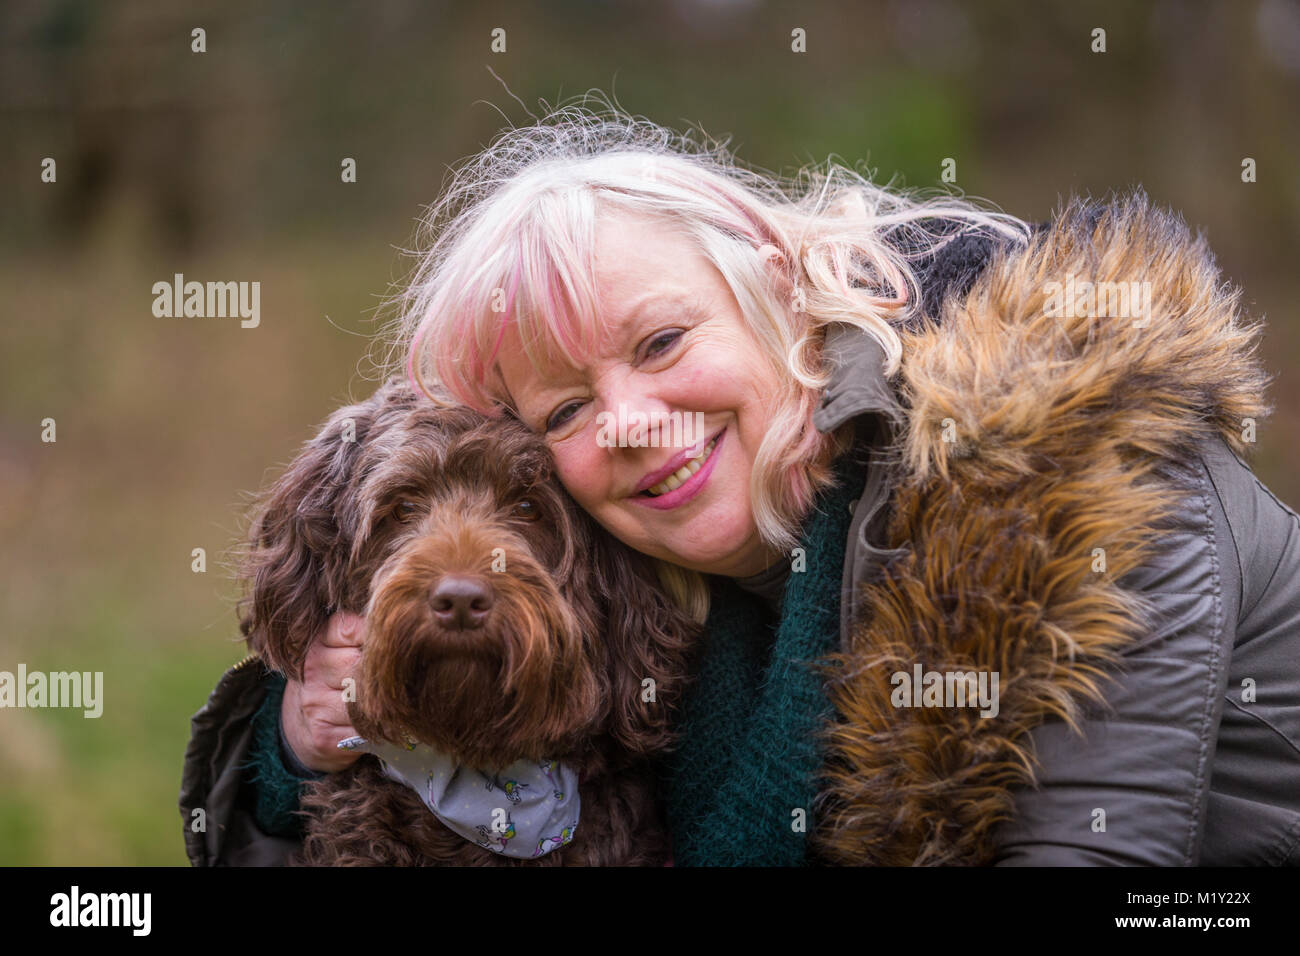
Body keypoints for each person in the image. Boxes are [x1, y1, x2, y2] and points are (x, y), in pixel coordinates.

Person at [181, 104, 1300, 866]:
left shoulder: (1067, 466)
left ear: (773, 281)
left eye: (661, 340)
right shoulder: (655, 592)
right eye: (565, 408)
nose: (626, 420)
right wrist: (292, 752)